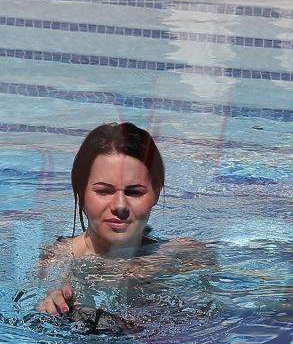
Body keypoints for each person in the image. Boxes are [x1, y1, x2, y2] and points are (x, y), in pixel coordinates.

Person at [37, 122, 206, 320]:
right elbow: (50, 285)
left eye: (134, 192)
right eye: (104, 191)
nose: (120, 205)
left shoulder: (183, 254)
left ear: (156, 193)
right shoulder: (60, 257)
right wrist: (54, 300)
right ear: (81, 192)